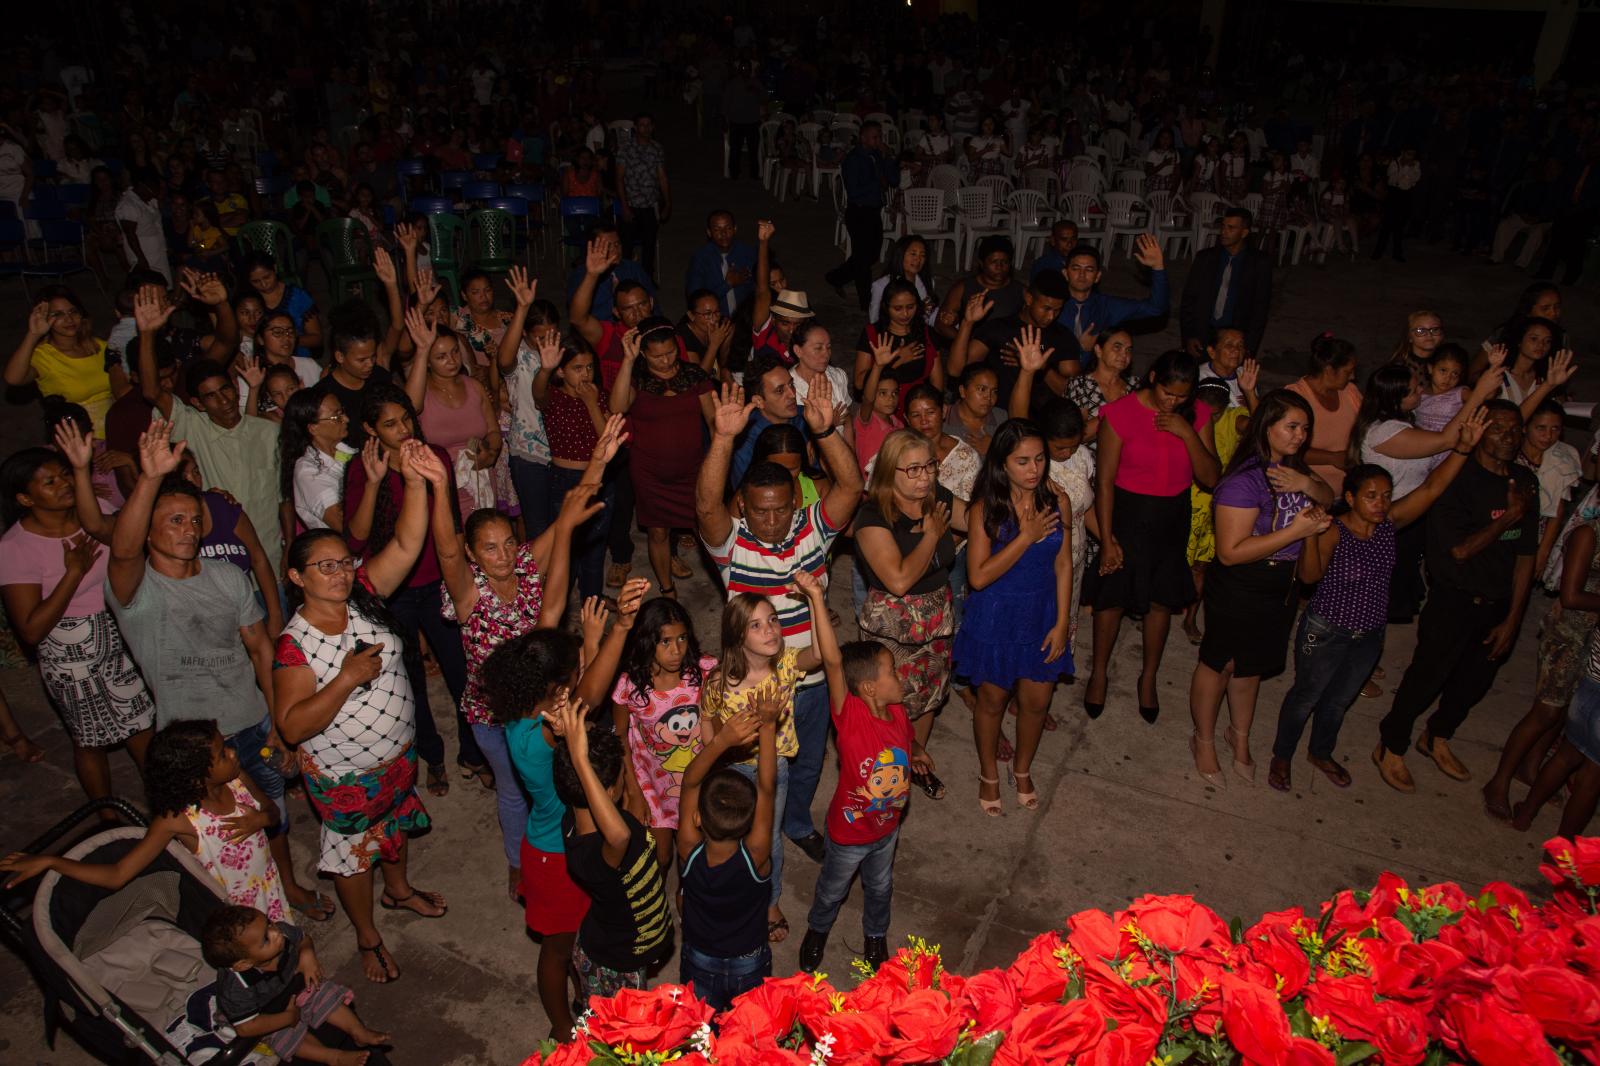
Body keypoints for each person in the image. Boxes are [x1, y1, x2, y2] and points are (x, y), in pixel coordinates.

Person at [100, 419, 328, 916]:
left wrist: (281, 726)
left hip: (250, 725)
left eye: (192, 519)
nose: (188, 529)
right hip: (189, 744)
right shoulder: (136, 591)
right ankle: (223, 917)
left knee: (271, 815)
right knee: (199, 840)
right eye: (173, 521)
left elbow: (260, 650)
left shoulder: (226, 576)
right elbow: (120, 549)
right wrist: (150, 479)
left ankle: (284, 885)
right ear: (149, 529)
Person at [274, 440, 450, 984]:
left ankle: (398, 893)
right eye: (323, 567)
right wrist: (347, 679)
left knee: (394, 828)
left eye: (344, 562)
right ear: (297, 577)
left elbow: (407, 540)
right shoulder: (294, 645)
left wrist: (416, 480)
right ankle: (367, 936)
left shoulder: (366, 598)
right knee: (354, 855)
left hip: (395, 757)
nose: (340, 573)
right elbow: (293, 724)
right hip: (346, 776)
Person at [696, 378, 863, 934]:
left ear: (797, 501)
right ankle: (764, 872)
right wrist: (723, 440)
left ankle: (796, 822)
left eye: (781, 510)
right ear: (745, 504)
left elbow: (852, 485)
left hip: (809, 685)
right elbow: (704, 505)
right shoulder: (732, 545)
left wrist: (827, 431)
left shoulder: (814, 530)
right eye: (761, 511)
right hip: (754, 691)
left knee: (808, 766)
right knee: (754, 788)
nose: (772, 522)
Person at [435, 430, 610, 899]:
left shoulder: (527, 566)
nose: (504, 556)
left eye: (509, 544)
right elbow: (447, 550)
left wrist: (597, 459)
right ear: (473, 554)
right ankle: (518, 860)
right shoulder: (468, 591)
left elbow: (569, 513)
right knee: (515, 789)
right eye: (490, 548)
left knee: (557, 780)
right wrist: (435, 487)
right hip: (494, 713)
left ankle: (559, 842)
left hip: (544, 702)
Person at [1274, 435, 1484, 793]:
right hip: (1326, 630)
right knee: (1305, 696)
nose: (1381, 503)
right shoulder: (1334, 532)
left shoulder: (1388, 526)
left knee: (1339, 700)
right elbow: (1308, 578)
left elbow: (1432, 488)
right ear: (1351, 499)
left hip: (1369, 634)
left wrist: (1462, 449)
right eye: (1372, 496)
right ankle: (1282, 755)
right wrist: (1310, 533)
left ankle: (1320, 751)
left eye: (1386, 495)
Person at [1374, 401, 1539, 792]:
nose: (1508, 437)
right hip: (1455, 599)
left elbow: (1526, 557)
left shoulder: (1524, 482)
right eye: (1498, 428)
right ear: (1479, 430)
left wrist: (1513, 619)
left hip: (1498, 603)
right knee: (1427, 677)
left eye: (1516, 430)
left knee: (1473, 682)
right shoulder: (1458, 480)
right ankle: (1391, 745)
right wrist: (1508, 520)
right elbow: (1459, 552)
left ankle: (1437, 735)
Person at [0, 720, 292, 921]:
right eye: (221, 754)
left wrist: (261, 819)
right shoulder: (178, 821)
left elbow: (272, 812)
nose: (233, 753)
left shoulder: (237, 779)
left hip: (269, 890)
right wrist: (53, 862)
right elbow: (118, 874)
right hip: (234, 914)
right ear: (196, 774)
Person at [344, 385, 485, 794]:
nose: (404, 429)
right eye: (390, 424)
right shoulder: (362, 469)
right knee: (409, 682)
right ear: (370, 429)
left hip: (439, 585)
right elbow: (355, 540)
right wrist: (372, 484)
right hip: (393, 595)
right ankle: (433, 756)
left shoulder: (434, 456)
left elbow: (453, 528)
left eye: (406, 419)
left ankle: (473, 754)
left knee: (464, 674)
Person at [1188, 391, 1334, 786]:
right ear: (1266, 427)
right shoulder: (1244, 481)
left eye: (1305, 428)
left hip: (1280, 585)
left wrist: (1306, 482)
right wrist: (1296, 530)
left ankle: (1238, 737)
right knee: (1220, 663)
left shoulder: (1293, 469)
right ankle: (1202, 740)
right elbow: (1231, 553)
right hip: (1241, 584)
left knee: (1251, 666)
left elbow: (1329, 496)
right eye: (1291, 426)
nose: (1300, 435)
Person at [0, 445, 154, 809]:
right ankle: (106, 816)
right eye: (50, 482)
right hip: (69, 652)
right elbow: (31, 629)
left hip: (119, 634)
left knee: (143, 726)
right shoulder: (15, 548)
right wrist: (73, 573)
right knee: (90, 740)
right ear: (25, 497)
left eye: (64, 475)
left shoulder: (94, 512)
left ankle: (169, 806)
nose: (64, 484)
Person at [1085, 351, 1220, 724]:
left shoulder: (1197, 416)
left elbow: (1210, 476)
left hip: (1172, 516)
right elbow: (1106, 483)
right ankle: (1098, 674)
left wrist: (1186, 431)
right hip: (1127, 514)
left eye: (1182, 396)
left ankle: (1149, 677)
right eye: (1168, 392)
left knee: (1162, 601)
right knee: (1111, 597)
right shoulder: (1121, 413)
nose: (1173, 401)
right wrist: (1108, 539)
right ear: (1152, 377)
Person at [954, 416, 1073, 815]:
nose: (1034, 469)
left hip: (1041, 614)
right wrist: (1026, 536)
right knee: (991, 700)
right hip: (996, 617)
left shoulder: (1058, 500)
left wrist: (1062, 624)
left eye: (1039, 459)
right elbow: (979, 576)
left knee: (1037, 701)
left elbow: (1063, 565)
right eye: (1022, 461)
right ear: (1002, 463)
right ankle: (989, 772)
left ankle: (1022, 769)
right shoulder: (986, 508)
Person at [134, 285, 285, 575]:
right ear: (198, 404)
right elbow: (152, 391)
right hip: (218, 563)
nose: (224, 400)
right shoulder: (192, 425)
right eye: (211, 396)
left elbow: (283, 498)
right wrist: (147, 335)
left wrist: (290, 540)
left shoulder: (267, 433)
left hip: (269, 555)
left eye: (226, 390)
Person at [481, 628, 587, 1041]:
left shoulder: (522, 713)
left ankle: (583, 1001)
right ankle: (561, 1028)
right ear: (557, 689)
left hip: (552, 845)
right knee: (557, 950)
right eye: (574, 672)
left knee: (577, 942)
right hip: (553, 857)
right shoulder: (541, 736)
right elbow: (590, 693)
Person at [797, 626, 916, 974]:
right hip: (849, 836)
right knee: (832, 891)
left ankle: (875, 936)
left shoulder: (899, 714)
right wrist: (816, 596)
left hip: (887, 830)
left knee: (880, 887)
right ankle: (817, 930)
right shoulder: (852, 720)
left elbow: (906, 741)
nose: (900, 676)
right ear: (868, 688)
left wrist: (919, 752)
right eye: (892, 671)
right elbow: (833, 662)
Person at [576, 591, 716, 876]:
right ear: (646, 641)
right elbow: (621, 735)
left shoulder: (704, 672)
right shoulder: (629, 686)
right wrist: (633, 790)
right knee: (660, 856)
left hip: (697, 779)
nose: (676, 650)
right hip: (651, 781)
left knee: (694, 855)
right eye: (665, 641)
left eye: (682, 638)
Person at [853, 429, 958, 799]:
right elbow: (897, 580)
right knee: (890, 703)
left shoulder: (937, 498)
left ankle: (916, 755)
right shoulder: (872, 517)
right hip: (894, 631)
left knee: (929, 695)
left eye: (928, 465)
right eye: (912, 469)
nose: (925, 476)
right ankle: (891, 770)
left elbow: (978, 518)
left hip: (936, 621)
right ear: (888, 472)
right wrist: (932, 535)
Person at [550, 691, 673, 1003]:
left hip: (631, 946)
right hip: (615, 964)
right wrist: (579, 758)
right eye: (623, 777)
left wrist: (570, 735)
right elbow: (619, 837)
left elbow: (590, 763)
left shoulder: (582, 812)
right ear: (605, 792)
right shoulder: (590, 851)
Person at [675, 675, 777, 1010]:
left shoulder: (688, 850)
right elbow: (767, 786)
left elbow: (690, 782)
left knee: (700, 1031)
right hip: (749, 960)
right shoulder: (757, 854)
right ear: (751, 824)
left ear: (697, 819)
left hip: (700, 958)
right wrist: (768, 724)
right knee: (748, 1036)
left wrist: (721, 742)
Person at [1508, 500, 1600, 836]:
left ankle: (1527, 799)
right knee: (1547, 718)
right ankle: (1500, 783)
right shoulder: (1589, 533)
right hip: (1570, 641)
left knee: (1568, 745)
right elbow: (1572, 594)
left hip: (1591, 655)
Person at [201, 904, 389, 1065]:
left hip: (293, 988)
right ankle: (335, 1057)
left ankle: (358, 1032)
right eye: (266, 939)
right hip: (265, 1014)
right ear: (244, 963)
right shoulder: (235, 989)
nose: (275, 932)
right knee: (284, 1038)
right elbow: (247, 1027)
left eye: (269, 923)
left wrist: (307, 955)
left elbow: (303, 938)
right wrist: (288, 1017)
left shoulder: (281, 932)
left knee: (325, 993)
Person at [608, 322, 716, 595]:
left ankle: (725, 582)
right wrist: (628, 362)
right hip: (649, 473)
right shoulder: (637, 378)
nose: (666, 360)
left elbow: (713, 421)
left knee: (706, 528)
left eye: (670, 352)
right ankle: (668, 590)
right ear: (644, 354)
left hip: (692, 469)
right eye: (657, 355)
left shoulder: (693, 375)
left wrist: (718, 461)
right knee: (657, 532)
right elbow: (617, 407)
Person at [530, 335, 614, 602]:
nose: (586, 375)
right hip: (566, 479)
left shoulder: (599, 397)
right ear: (561, 371)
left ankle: (593, 603)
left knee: (595, 548)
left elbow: (608, 441)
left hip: (599, 479)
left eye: (590, 367)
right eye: (578, 368)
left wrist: (591, 403)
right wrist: (544, 369)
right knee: (566, 549)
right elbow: (538, 393)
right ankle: (559, 609)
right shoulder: (553, 398)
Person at [403, 311, 500, 519]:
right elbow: (409, 408)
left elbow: (493, 431)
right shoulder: (421, 392)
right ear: (427, 362)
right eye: (441, 356)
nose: (452, 360)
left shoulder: (474, 386)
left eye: (455, 352)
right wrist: (422, 350)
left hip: (479, 481)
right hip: (443, 487)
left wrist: (490, 454)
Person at [6, 288, 123, 438]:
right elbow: (13, 378)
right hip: (76, 438)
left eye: (73, 311)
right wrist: (33, 334)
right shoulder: (44, 356)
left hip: (117, 429)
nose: (69, 319)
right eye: (58, 314)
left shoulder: (99, 346)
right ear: (44, 318)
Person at [948, 272, 1076, 409]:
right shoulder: (999, 328)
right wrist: (967, 323)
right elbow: (956, 370)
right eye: (1046, 308)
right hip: (996, 415)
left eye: (1057, 310)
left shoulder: (1062, 336)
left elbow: (1074, 394)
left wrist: (1042, 369)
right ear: (1028, 298)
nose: (1051, 316)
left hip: (1040, 421)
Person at [497, 267, 558, 538]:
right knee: (537, 528)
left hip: (561, 453)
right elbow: (503, 360)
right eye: (539, 337)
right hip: (529, 455)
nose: (546, 342)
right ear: (526, 334)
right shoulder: (520, 357)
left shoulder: (563, 355)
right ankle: (538, 581)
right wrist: (522, 308)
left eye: (551, 334)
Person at [824, 121, 898, 310]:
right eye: (875, 136)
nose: (879, 140)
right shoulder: (853, 159)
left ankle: (835, 277)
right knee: (863, 259)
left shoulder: (876, 155)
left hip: (873, 211)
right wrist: (877, 182)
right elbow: (854, 191)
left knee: (870, 255)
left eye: (880, 136)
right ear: (863, 138)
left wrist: (888, 157)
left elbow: (893, 180)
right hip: (858, 211)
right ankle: (866, 301)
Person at [1180, 208, 1272, 358]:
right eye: (1223, 226)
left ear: (1244, 233)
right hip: (1204, 333)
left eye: (1231, 228)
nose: (1223, 232)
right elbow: (1189, 300)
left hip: (1235, 338)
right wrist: (1189, 336)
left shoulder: (1258, 263)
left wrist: (1249, 347)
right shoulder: (1205, 258)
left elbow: (1260, 309)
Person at [1051, 238, 1170, 353]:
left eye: (1089, 270)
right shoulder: (1050, 304)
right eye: (1076, 269)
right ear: (1065, 273)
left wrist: (1158, 268)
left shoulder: (1106, 306)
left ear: (1097, 276)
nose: (1082, 275)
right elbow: (1039, 346)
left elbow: (1156, 308)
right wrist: (1076, 347)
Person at [1286, 333, 1363, 496]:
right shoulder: (1295, 397)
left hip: (1348, 494)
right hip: (1310, 494)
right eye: (1348, 372)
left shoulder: (1350, 392)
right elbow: (1283, 447)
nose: (1353, 377)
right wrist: (1331, 458)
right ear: (1329, 370)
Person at [854, 280, 943, 412]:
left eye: (910, 307)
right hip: (882, 407)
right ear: (886, 307)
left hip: (917, 407)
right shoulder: (873, 334)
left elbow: (937, 383)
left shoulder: (926, 334)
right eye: (898, 308)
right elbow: (859, 382)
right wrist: (897, 361)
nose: (905, 314)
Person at [1518, 399, 1583, 575]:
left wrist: (1543, 552)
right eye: (1541, 428)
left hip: (1538, 533)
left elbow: (1557, 509)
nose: (1548, 436)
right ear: (1524, 427)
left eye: (1555, 429)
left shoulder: (1563, 457)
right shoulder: (1512, 456)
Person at [728, 354, 809, 488]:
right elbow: (745, 494)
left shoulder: (807, 417)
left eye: (791, 384)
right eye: (780, 390)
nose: (793, 394)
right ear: (759, 401)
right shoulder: (745, 442)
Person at [282, 389, 357, 533]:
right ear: (313, 428)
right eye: (336, 417)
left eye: (343, 412)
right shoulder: (309, 472)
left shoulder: (345, 451)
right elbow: (345, 526)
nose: (346, 419)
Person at [935, 236, 1024, 344]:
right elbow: (941, 324)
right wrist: (965, 341)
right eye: (994, 262)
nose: (999, 267)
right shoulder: (963, 287)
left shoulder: (1020, 290)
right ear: (981, 263)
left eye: (1004, 262)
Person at [616, 113, 670, 280]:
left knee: (649, 245)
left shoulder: (657, 148)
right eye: (642, 125)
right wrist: (624, 206)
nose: (645, 128)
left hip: (650, 205)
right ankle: (625, 280)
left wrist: (667, 203)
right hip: (631, 204)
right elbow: (619, 178)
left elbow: (662, 177)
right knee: (627, 246)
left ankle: (646, 280)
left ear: (652, 127)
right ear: (635, 127)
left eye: (648, 125)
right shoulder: (625, 149)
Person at [244, 252, 321, 359]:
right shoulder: (249, 302)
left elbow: (316, 338)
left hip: (297, 356)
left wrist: (288, 339)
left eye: (267, 277)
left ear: (275, 269)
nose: (264, 284)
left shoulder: (298, 297)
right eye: (256, 281)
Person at [685, 210, 756, 317]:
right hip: (713, 319)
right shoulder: (700, 259)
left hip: (745, 317)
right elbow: (695, 301)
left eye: (728, 228)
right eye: (717, 229)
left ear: (735, 229)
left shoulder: (748, 253)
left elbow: (760, 289)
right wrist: (727, 285)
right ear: (709, 233)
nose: (723, 233)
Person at [868, 235, 938, 324]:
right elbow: (874, 319)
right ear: (900, 254)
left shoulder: (928, 282)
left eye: (922, 255)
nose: (918, 259)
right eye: (913, 254)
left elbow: (930, 317)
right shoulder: (881, 285)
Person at [116, 168, 170, 283]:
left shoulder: (149, 200)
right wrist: (141, 259)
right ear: (142, 185)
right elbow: (130, 234)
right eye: (155, 187)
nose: (157, 190)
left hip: (157, 252)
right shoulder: (128, 205)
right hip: (144, 254)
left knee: (162, 285)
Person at [1371, 147, 1422, 262]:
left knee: (1399, 226)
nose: (1411, 157)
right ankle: (1378, 251)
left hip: (1406, 196)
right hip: (1394, 195)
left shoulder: (1416, 164)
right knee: (1387, 225)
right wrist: (1404, 169)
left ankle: (1397, 253)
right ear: (1403, 153)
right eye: (1409, 153)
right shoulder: (1394, 163)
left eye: (1413, 154)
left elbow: (1415, 179)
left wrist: (1408, 169)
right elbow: (1392, 180)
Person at [945, 364, 1006, 457]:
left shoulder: (1001, 417)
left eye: (994, 391)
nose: (989, 397)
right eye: (982, 389)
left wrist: (994, 450)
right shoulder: (943, 421)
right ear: (962, 391)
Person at [1196, 328, 1259, 412]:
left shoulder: (1245, 373)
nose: (1236, 350)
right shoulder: (1198, 376)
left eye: (1240, 345)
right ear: (1212, 352)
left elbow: (1260, 419)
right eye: (1229, 344)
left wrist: (1250, 394)